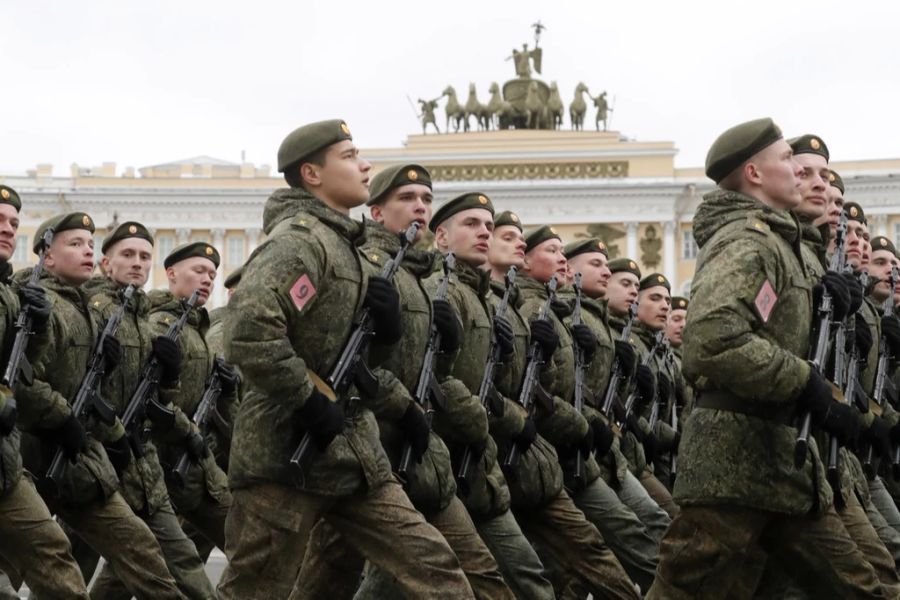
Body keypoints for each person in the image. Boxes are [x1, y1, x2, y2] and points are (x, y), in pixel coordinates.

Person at [218, 120, 470, 599]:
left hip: (354, 455)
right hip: (285, 452)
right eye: (351, 155)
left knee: (436, 569)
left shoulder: (346, 246)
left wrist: (389, 329)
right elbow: (249, 332)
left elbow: (346, 349)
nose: (366, 164)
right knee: (256, 590)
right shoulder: (301, 240)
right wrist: (309, 399)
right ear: (312, 173)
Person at [647, 118, 889, 599]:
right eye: (788, 162)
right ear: (755, 173)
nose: (802, 175)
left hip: (779, 463)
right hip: (733, 466)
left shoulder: (778, 243)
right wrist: (808, 385)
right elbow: (714, 339)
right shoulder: (747, 241)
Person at [16, 212, 184, 599]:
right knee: (27, 565)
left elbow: (94, 392)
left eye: (90, 244)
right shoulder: (41, 306)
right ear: (46, 256)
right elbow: (23, 381)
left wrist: (116, 439)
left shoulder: (89, 313)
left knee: (139, 548)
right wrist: (62, 417)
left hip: (84, 462)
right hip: (34, 458)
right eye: (75, 244)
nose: (87, 251)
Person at [79, 222, 217, 599]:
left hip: (140, 459)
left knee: (172, 556)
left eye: (144, 256)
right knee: (73, 563)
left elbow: (154, 393)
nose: (137, 263)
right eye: (127, 255)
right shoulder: (94, 311)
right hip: (94, 458)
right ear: (106, 263)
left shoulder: (140, 316)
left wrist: (168, 372)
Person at [0, 186, 90, 599]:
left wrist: (33, 330)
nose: (7, 229)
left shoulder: (10, 295)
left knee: (53, 551)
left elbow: (20, 369)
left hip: (6, 459)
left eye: (14, 223)